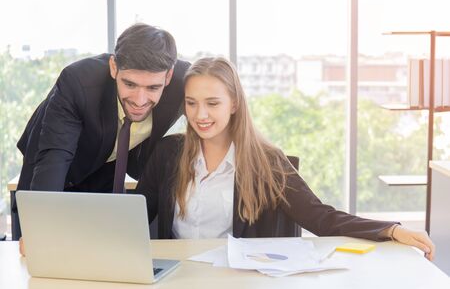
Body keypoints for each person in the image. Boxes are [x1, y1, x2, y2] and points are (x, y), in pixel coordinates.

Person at [135, 57, 435, 261]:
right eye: (192, 103)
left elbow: (321, 217)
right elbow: (134, 218)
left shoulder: (266, 161)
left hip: (237, 281)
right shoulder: (168, 153)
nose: (200, 115)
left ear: (234, 104)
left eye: (212, 103)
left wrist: (391, 230)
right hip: (176, 278)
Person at [14, 23, 190, 242]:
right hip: (51, 164)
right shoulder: (78, 82)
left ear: (168, 76)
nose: (139, 100)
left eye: (153, 88)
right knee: (42, 249)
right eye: (130, 84)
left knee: (104, 246)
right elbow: (54, 158)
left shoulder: (186, 82)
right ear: (114, 67)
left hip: (107, 165)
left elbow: (219, 111)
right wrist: (38, 228)